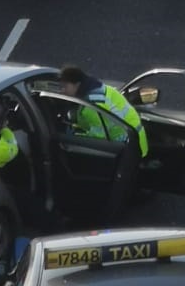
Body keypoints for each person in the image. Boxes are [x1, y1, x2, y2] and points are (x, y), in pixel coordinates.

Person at [56, 64, 148, 220]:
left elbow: (98, 135)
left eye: (65, 86)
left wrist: (74, 132)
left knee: (120, 187)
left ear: (77, 84)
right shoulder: (99, 88)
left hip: (126, 146)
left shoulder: (92, 107)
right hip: (136, 137)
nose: (62, 91)